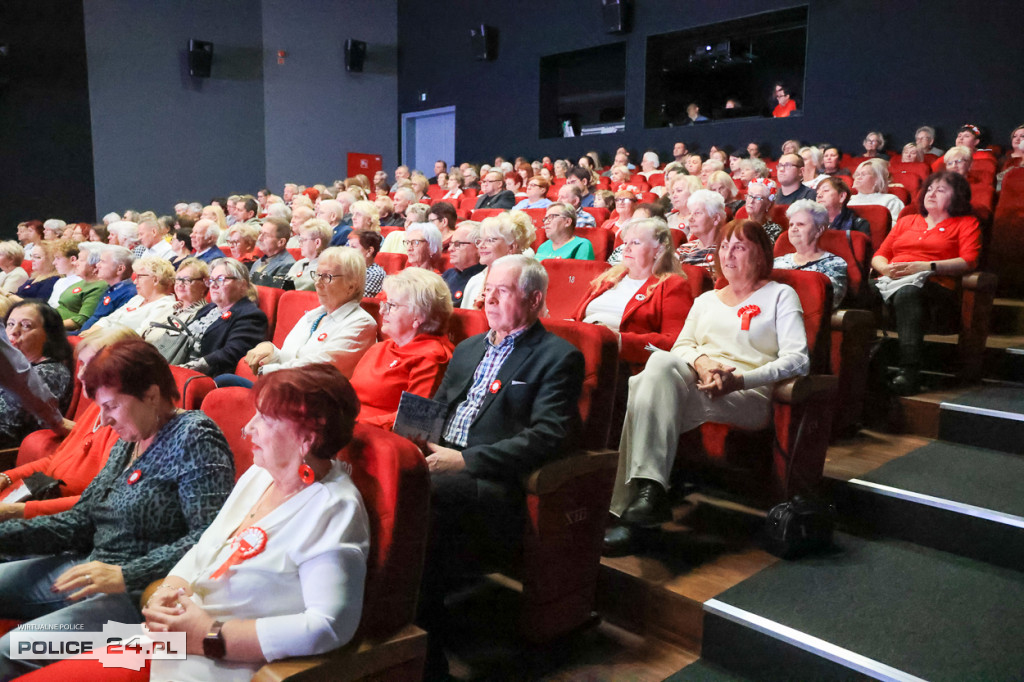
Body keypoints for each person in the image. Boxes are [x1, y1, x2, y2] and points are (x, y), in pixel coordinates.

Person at [0, 340, 235, 679]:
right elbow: (80, 521)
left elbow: (209, 539)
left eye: (110, 406)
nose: (104, 420)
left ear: (151, 395)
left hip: (141, 597)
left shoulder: (196, 437)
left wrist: (126, 575)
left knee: (13, 649)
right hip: (88, 570)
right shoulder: (131, 440)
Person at [419, 255, 585, 678]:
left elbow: (547, 436)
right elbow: (437, 408)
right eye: (487, 289)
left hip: (491, 481)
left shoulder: (558, 357)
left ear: (534, 299)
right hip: (439, 458)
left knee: (417, 499)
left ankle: (428, 657)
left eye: (503, 291)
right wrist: (408, 442)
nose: (488, 299)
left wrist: (465, 460)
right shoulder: (468, 348)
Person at [604, 220, 810, 554]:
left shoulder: (780, 295)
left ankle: (634, 509)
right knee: (657, 365)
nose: (729, 254)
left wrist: (739, 380)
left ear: (761, 255)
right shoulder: (706, 300)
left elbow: (798, 360)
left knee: (644, 391)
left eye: (740, 247)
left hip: (748, 393)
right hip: (699, 383)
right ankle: (647, 497)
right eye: (725, 246)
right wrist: (702, 362)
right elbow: (681, 346)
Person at [0, 326, 136, 523]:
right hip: (42, 497)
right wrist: (6, 477)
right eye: (81, 364)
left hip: (69, 520)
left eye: (91, 365)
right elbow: (56, 460)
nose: (81, 375)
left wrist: (18, 511)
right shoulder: (96, 408)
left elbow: (99, 502)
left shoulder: (128, 428)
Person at [870, 171, 981, 395]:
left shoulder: (966, 223)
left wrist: (925, 266)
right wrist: (885, 269)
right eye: (929, 189)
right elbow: (880, 255)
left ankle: (909, 372)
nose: (931, 193)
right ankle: (865, 366)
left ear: (957, 196)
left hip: (935, 285)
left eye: (940, 190)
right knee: (860, 290)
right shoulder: (907, 221)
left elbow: (969, 260)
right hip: (890, 279)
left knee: (908, 293)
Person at [227, 247, 375, 385]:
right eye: (317, 275)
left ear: (351, 286)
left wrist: (265, 371)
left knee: (225, 381)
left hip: (315, 398)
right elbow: (289, 357)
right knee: (225, 382)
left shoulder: (362, 323)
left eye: (326, 277)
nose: (317, 283)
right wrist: (269, 349)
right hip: (285, 389)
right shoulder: (314, 315)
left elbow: (318, 369)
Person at [572, 218, 693, 370]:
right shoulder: (607, 278)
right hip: (582, 347)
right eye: (625, 243)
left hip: (621, 363)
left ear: (659, 250)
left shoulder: (672, 284)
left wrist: (619, 340)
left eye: (635, 243)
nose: (626, 248)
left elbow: (674, 341)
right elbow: (575, 318)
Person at [349, 269, 454, 429]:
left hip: (376, 436)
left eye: (392, 305)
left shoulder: (433, 357)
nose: (382, 311)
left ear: (419, 316)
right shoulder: (380, 347)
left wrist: (351, 425)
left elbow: (414, 421)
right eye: (385, 303)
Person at [0, 301, 73, 448]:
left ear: (49, 335)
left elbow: (10, 419)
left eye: (26, 326)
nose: (13, 331)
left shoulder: (52, 372)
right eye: (10, 324)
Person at [178, 258, 268, 377]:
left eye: (220, 279)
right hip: (177, 361)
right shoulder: (208, 308)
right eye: (211, 280)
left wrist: (185, 368)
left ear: (242, 285)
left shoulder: (250, 315)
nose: (213, 285)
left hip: (201, 375)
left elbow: (231, 353)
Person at [774, 200, 849, 308]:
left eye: (800, 224)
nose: (794, 229)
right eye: (791, 225)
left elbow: (830, 301)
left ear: (819, 230)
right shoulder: (777, 263)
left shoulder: (835, 264)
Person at [82, 257, 176, 337]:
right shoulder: (138, 298)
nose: (135, 282)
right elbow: (109, 319)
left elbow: (139, 335)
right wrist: (91, 331)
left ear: (155, 280)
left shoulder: (165, 306)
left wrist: (100, 336)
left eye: (139, 277)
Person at [461, 212, 536, 309]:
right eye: (480, 240)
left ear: (511, 247)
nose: (481, 245)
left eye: (490, 240)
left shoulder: (526, 282)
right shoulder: (475, 281)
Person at [142, 258, 210, 344]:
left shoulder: (203, 315)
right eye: (178, 279)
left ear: (204, 284)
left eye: (187, 280)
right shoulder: (172, 307)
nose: (180, 284)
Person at [76, 246, 137, 334]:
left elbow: (113, 328)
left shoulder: (129, 293)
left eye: (103, 261)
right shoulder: (110, 288)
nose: (97, 265)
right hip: (84, 334)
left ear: (120, 269)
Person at [54, 244, 109, 332]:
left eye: (81, 260)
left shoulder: (99, 286)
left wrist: (49, 325)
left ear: (95, 265)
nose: (75, 263)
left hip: (60, 329)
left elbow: (83, 320)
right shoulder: (82, 282)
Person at [676, 190, 726, 273]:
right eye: (690, 213)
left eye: (697, 213)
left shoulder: (726, 251)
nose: (690, 218)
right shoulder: (683, 250)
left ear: (716, 218)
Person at [441, 221, 485, 305]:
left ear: (478, 246)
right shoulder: (448, 274)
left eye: (457, 244)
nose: (450, 249)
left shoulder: (484, 279)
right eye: (451, 244)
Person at [848, 158, 904, 223]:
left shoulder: (891, 201)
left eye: (863, 174)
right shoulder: (849, 200)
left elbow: (897, 225)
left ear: (877, 179)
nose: (858, 177)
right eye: (857, 174)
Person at [285, 219, 332, 291]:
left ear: (317, 243)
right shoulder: (299, 263)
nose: (300, 244)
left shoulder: (326, 268)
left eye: (303, 240)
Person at [249, 218, 296, 287]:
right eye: (260, 233)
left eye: (266, 235)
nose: (260, 238)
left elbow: (275, 292)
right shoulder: (258, 262)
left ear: (281, 242)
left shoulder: (287, 264)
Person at [347, 229, 386, 297]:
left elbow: (356, 298)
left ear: (369, 251)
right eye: (348, 246)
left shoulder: (375, 274)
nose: (348, 251)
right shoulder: (346, 268)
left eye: (353, 247)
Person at [744, 178, 784, 244]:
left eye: (758, 198)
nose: (751, 201)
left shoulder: (774, 230)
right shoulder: (738, 225)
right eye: (750, 196)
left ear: (768, 204)